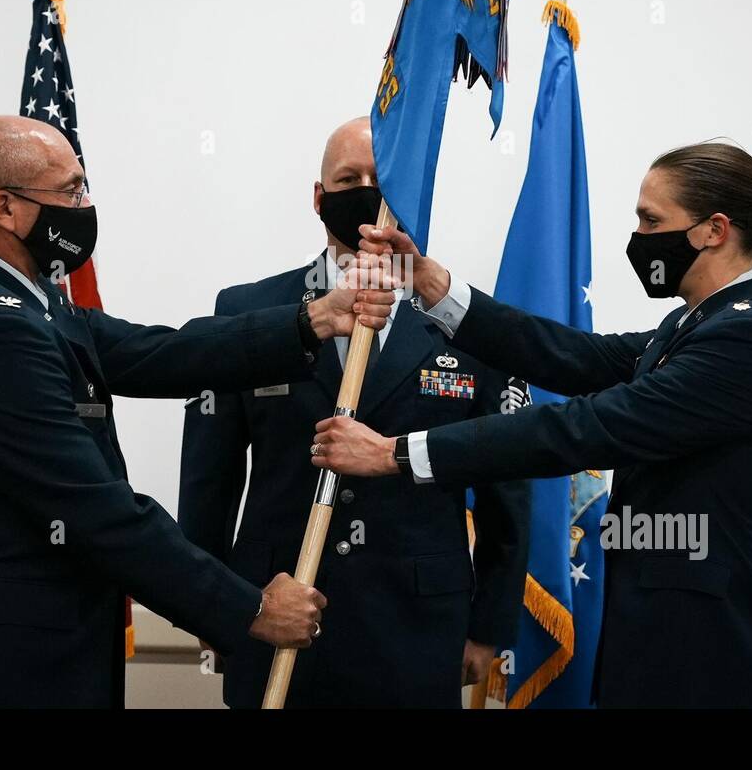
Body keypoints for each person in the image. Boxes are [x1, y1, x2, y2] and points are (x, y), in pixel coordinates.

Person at [0, 115, 394, 708]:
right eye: (70, 190)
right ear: (4, 208)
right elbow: (96, 509)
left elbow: (155, 354)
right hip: (4, 653)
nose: (85, 204)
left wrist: (312, 320)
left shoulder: (22, 297)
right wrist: (247, 606)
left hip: (39, 633)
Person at [311, 142, 752, 708]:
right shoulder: (695, 325)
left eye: (652, 220)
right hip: (664, 646)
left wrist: (396, 454)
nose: (640, 236)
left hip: (710, 661)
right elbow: (574, 357)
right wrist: (428, 280)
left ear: (713, 229)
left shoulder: (743, 340)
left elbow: (586, 427)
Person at [178, 118, 530, 708]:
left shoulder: (469, 323)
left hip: (416, 628)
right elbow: (209, 479)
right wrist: (211, 605)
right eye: (349, 179)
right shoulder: (246, 311)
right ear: (319, 198)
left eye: (381, 181)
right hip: (276, 615)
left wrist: (489, 623)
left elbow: (505, 487)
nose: (366, 192)